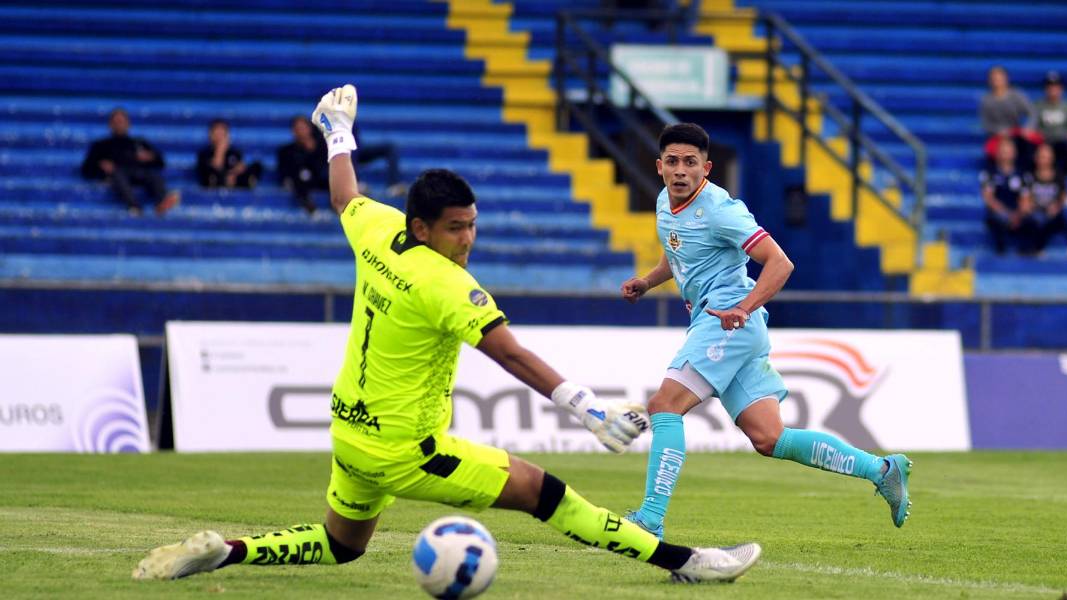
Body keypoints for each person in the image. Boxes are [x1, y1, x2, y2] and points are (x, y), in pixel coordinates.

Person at [132, 86, 762, 585]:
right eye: (457, 228)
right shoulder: (449, 286)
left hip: (351, 432)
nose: (469, 239)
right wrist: (588, 411)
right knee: (550, 495)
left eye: (472, 224)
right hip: (412, 450)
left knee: (339, 547)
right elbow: (510, 353)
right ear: (425, 227)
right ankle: (687, 559)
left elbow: (344, 192)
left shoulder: (378, 231)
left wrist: (337, 132)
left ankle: (226, 552)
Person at [618, 123, 912, 540]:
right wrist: (648, 281)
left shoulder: (721, 208)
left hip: (727, 322)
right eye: (673, 162)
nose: (681, 170)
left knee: (665, 405)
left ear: (707, 167)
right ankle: (882, 470)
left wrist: (743, 307)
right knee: (769, 437)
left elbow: (780, 263)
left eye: (690, 162)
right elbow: (679, 253)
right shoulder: (666, 201)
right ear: (659, 166)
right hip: (728, 326)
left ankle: (649, 518)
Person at [80, 108, 180, 216]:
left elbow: (160, 162)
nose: (119, 125)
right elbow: (87, 169)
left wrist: (151, 157)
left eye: (122, 122)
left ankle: (162, 202)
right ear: (110, 125)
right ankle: (134, 207)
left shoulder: (138, 142)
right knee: (118, 175)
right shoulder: (101, 146)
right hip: (118, 176)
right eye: (116, 122)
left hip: (140, 173)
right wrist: (100, 166)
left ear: (128, 124)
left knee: (153, 175)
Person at [1026, 144, 1067, 260]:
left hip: (1052, 212)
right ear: (1036, 157)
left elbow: (1063, 195)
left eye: (1046, 156)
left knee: (1060, 218)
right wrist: (1034, 207)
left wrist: (1056, 207)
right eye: (1041, 156)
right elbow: (1025, 198)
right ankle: (1035, 248)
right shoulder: (1029, 176)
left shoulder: (1058, 175)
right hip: (1035, 212)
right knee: (1035, 220)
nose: (1044, 159)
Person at [981, 137, 1038, 256]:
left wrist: (1018, 214)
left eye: (1009, 150)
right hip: (999, 212)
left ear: (1015, 152)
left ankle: (1027, 252)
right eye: (1003, 151)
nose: (1006, 154)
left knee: (1033, 220)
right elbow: (988, 198)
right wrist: (1006, 214)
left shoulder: (1023, 174)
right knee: (995, 220)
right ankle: (1000, 252)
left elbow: (1026, 198)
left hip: (1017, 212)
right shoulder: (990, 174)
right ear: (997, 153)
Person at [980, 65, 1040, 169]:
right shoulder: (986, 100)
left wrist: (1029, 128)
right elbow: (986, 124)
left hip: (1016, 134)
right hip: (997, 136)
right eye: (994, 79)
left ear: (1006, 79)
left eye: (999, 78)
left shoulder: (1016, 95)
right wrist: (999, 131)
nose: (997, 81)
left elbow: (1032, 112)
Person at [277, 115, 329, 214]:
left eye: (303, 128)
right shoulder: (287, 151)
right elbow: (285, 172)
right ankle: (307, 203)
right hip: (302, 181)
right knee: (302, 177)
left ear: (309, 129)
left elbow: (323, 166)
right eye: (297, 129)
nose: (300, 132)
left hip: (320, 179)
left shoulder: (322, 148)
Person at [1032, 71, 1067, 177]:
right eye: (1050, 87)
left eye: (1056, 87)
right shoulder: (1039, 105)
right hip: (1043, 141)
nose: (1053, 90)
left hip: (1060, 141)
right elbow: (1033, 125)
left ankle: (1061, 178)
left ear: (1061, 89)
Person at [195, 119, 263, 189]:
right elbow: (212, 169)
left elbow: (239, 167)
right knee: (213, 175)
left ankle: (249, 181)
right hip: (216, 180)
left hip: (233, 179)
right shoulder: (204, 153)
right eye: (217, 133)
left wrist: (234, 173)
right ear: (210, 135)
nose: (220, 137)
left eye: (222, 133)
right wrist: (220, 151)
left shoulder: (234, 152)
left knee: (256, 165)